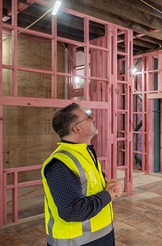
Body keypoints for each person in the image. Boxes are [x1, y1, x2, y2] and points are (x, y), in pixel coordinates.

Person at [41, 103, 123, 246]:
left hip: (101, 235)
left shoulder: (85, 153)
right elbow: (73, 211)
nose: (92, 118)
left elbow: (89, 188)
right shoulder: (61, 164)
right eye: (87, 116)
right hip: (76, 242)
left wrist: (109, 188)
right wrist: (107, 195)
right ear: (77, 128)